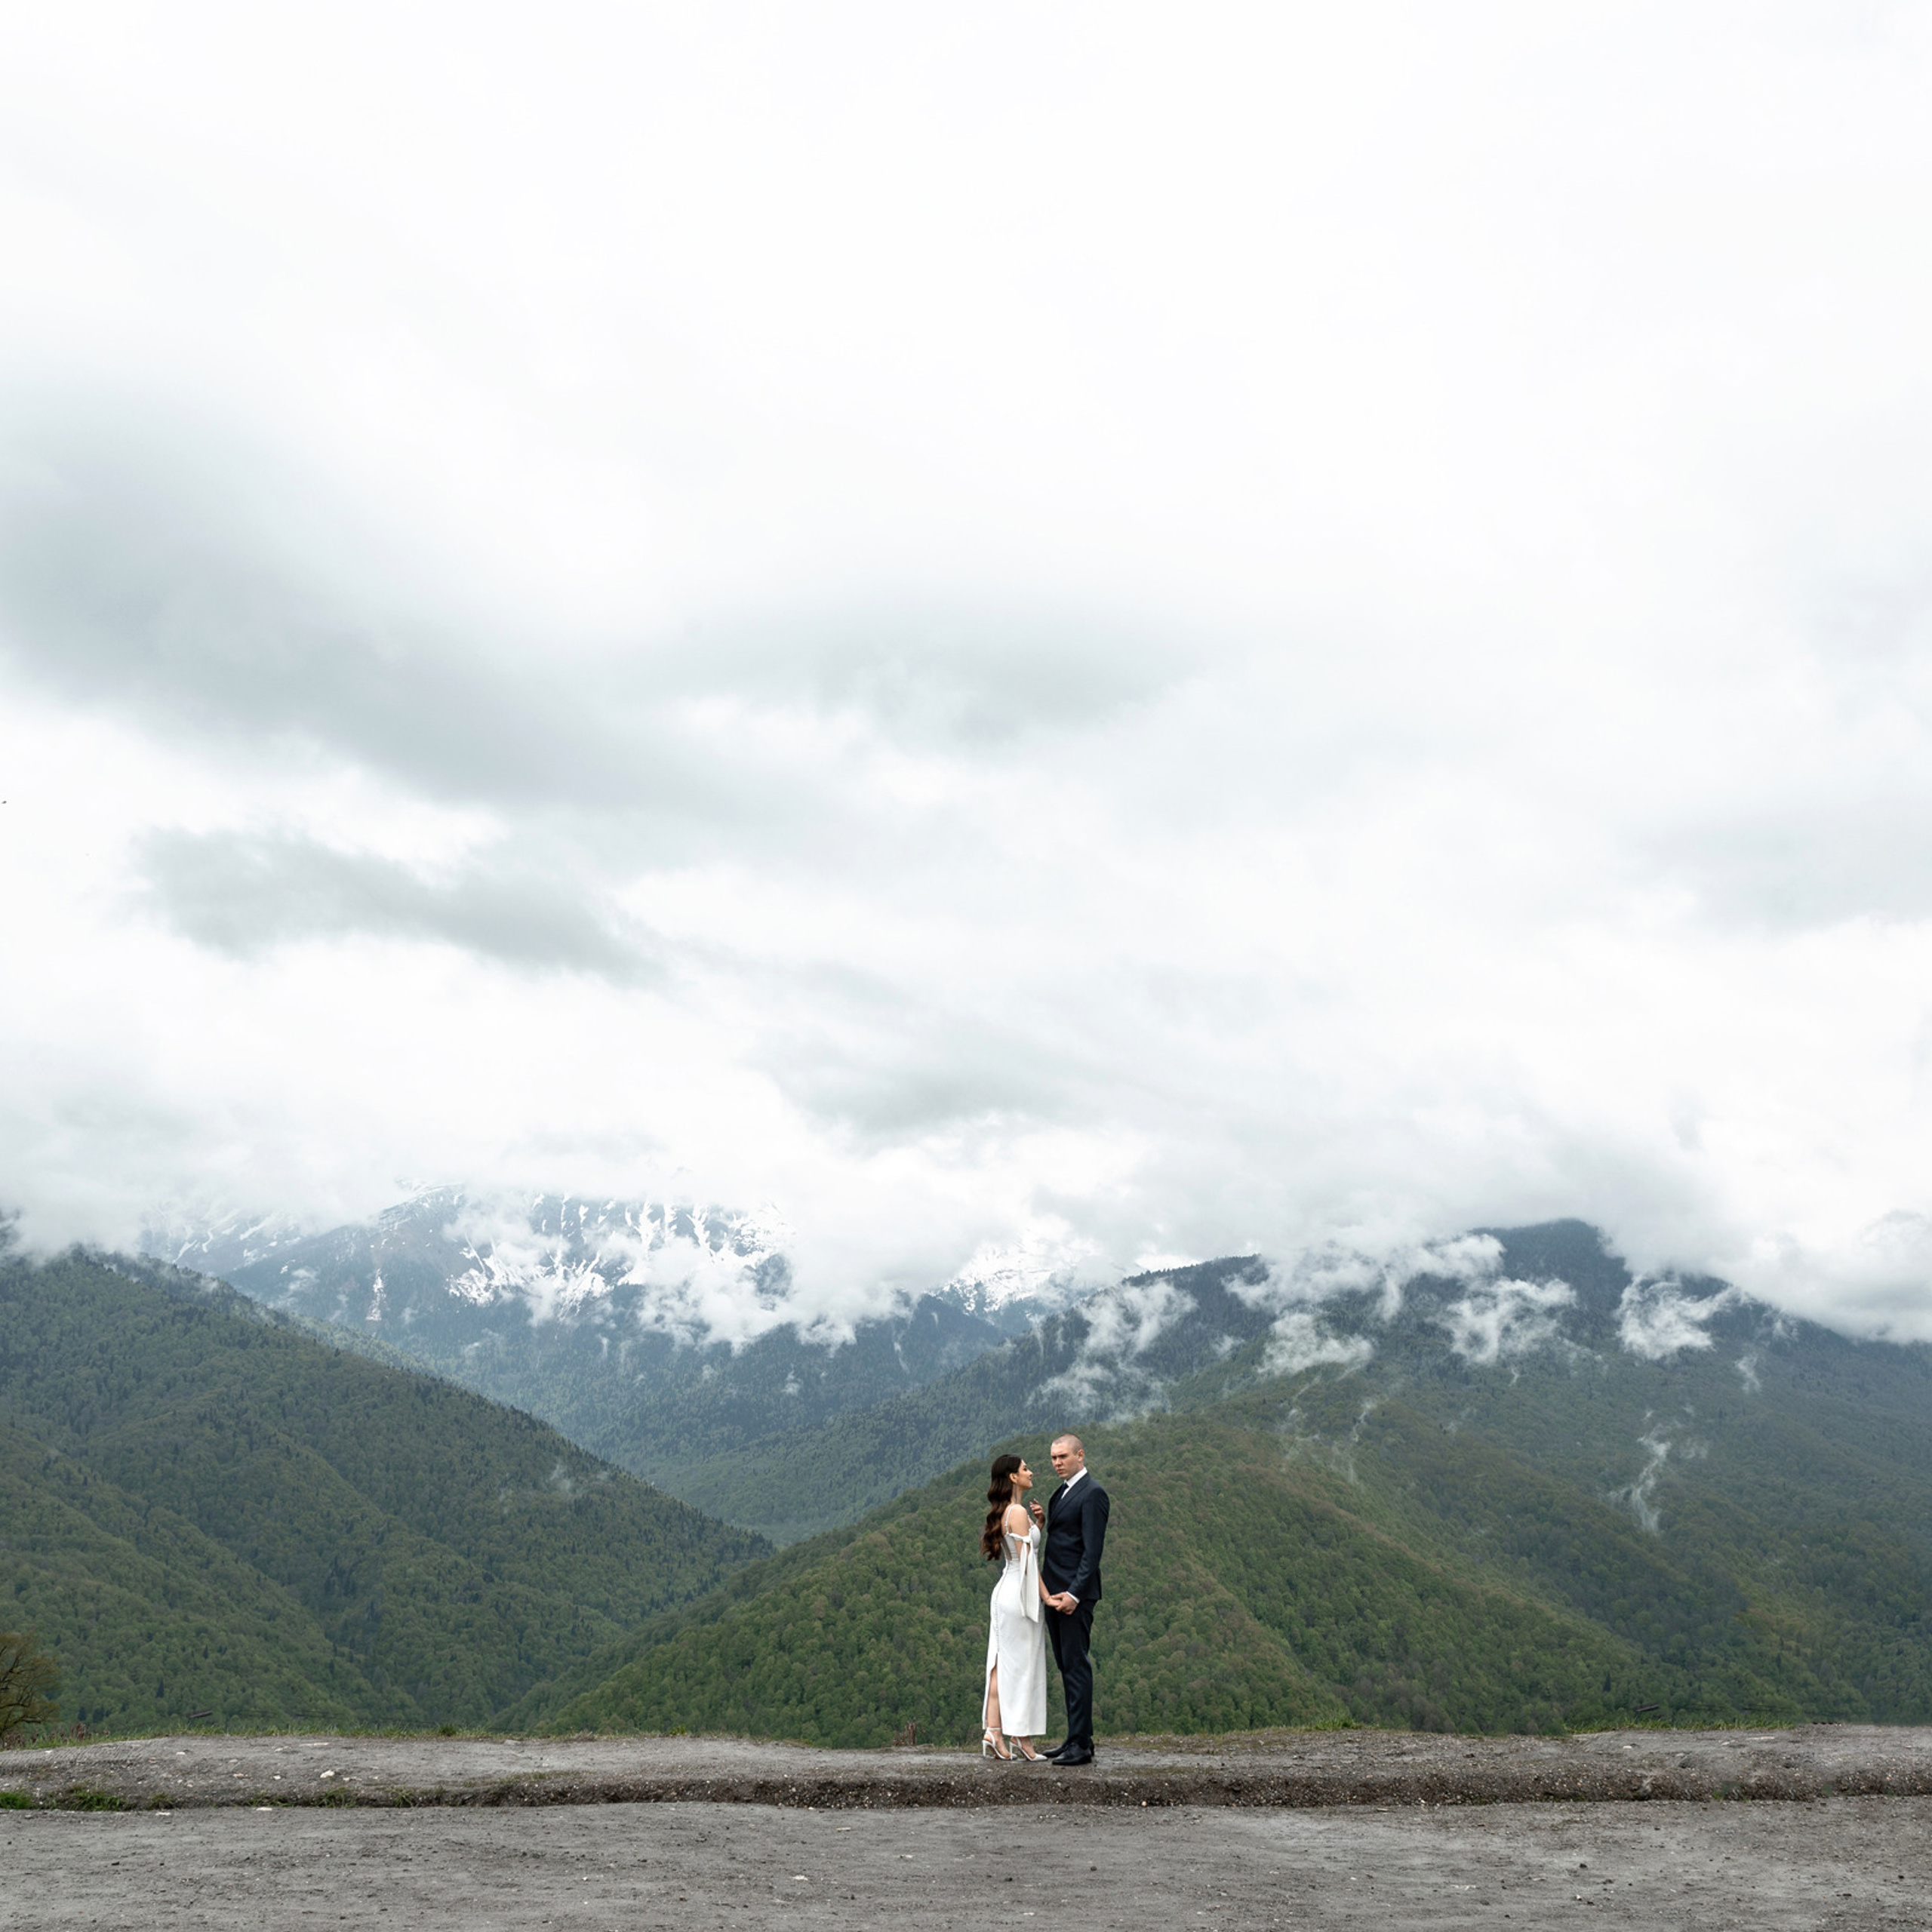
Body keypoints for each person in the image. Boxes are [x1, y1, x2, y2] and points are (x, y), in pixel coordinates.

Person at [1029, 1432, 1109, 1766]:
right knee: (1066, 1666)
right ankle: (1078, 1738)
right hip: (1054, 1595)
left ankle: (1081, 1745)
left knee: (1077, 1665)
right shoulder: (1060, 1493)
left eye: (1063, 1456)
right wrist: (1043, 1525)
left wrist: (1075, 1594)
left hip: (1074, 1596)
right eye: (1053, 1458)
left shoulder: (1093, 1494)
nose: (1057, 1463)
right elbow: (1065, 1538)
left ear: (1080, 1455)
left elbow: (1092, 1552)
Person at [980, 1453, 1051, 1761]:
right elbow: (1028, 1561)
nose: (1030, 1472)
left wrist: (1039, 1525)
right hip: (1019, 1595)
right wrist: (1048, 1598)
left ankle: (994, 1730)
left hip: (1006, 1592)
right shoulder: (1017, 1511)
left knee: (1001, 1664)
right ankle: (1021, 1738)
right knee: (1020, 1667)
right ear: (1012, 1477)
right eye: (1025, 1469)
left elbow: (1022, 1548)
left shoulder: (1009, 1512)